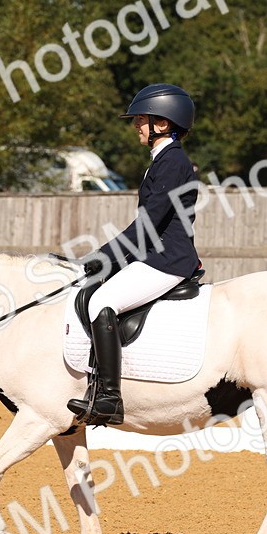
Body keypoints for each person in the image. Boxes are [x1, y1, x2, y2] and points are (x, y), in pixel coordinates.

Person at [67, 84, 202, 426]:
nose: (136, 126)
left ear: (163, 123)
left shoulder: (172, 162)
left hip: (167, 259)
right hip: (155, 254)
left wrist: (105, 257)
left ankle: (109, 398)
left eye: (142, 120)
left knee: (101, 303)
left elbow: (148, 224)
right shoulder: (164, 160)